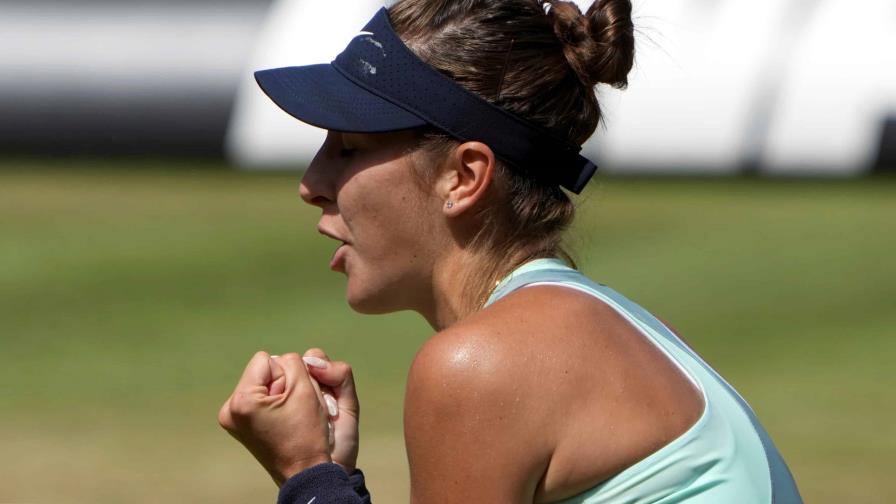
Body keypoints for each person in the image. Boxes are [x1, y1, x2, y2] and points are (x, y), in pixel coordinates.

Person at [217, 0, 804, 502]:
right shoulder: (609, 329)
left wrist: (308, 475)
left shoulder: (485, 364)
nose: (311, 183)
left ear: (464, 177)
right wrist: (334, 477)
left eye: (348, 147)